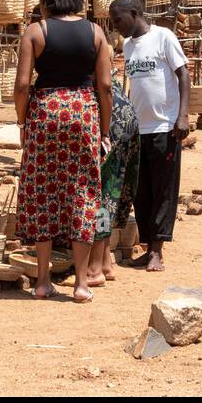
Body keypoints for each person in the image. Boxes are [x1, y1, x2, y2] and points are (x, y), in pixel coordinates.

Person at [13, 0, 113, 302]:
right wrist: (105, 130)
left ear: (48, 1)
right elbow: (106, 88)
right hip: (84, 114)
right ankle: (82, 284)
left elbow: (23, 86)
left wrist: (22, 121)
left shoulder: (36, 32)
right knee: (83, 190)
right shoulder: (96, 33)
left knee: (43, 188)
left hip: (45, 114)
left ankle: (42, 281)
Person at [109, 0, 190, 272]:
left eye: (118, 20)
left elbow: (183, 75)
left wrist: (182, 115)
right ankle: (147, 247)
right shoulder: (129, 47)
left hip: (165, 127)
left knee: (163, 190)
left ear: (134, 13)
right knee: (141, 192)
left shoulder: (164, 37)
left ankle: (157, 251)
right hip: (137, 130)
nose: (115, 26)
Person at [86, 74, 140, 285]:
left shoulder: (82, 46)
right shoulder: (95, 44)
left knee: (101, 196)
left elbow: (104, 87)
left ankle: (94, 270)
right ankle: (106, 263)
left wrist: (105, 132)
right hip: (124, 117)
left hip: (110, 120)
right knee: (109, 192)